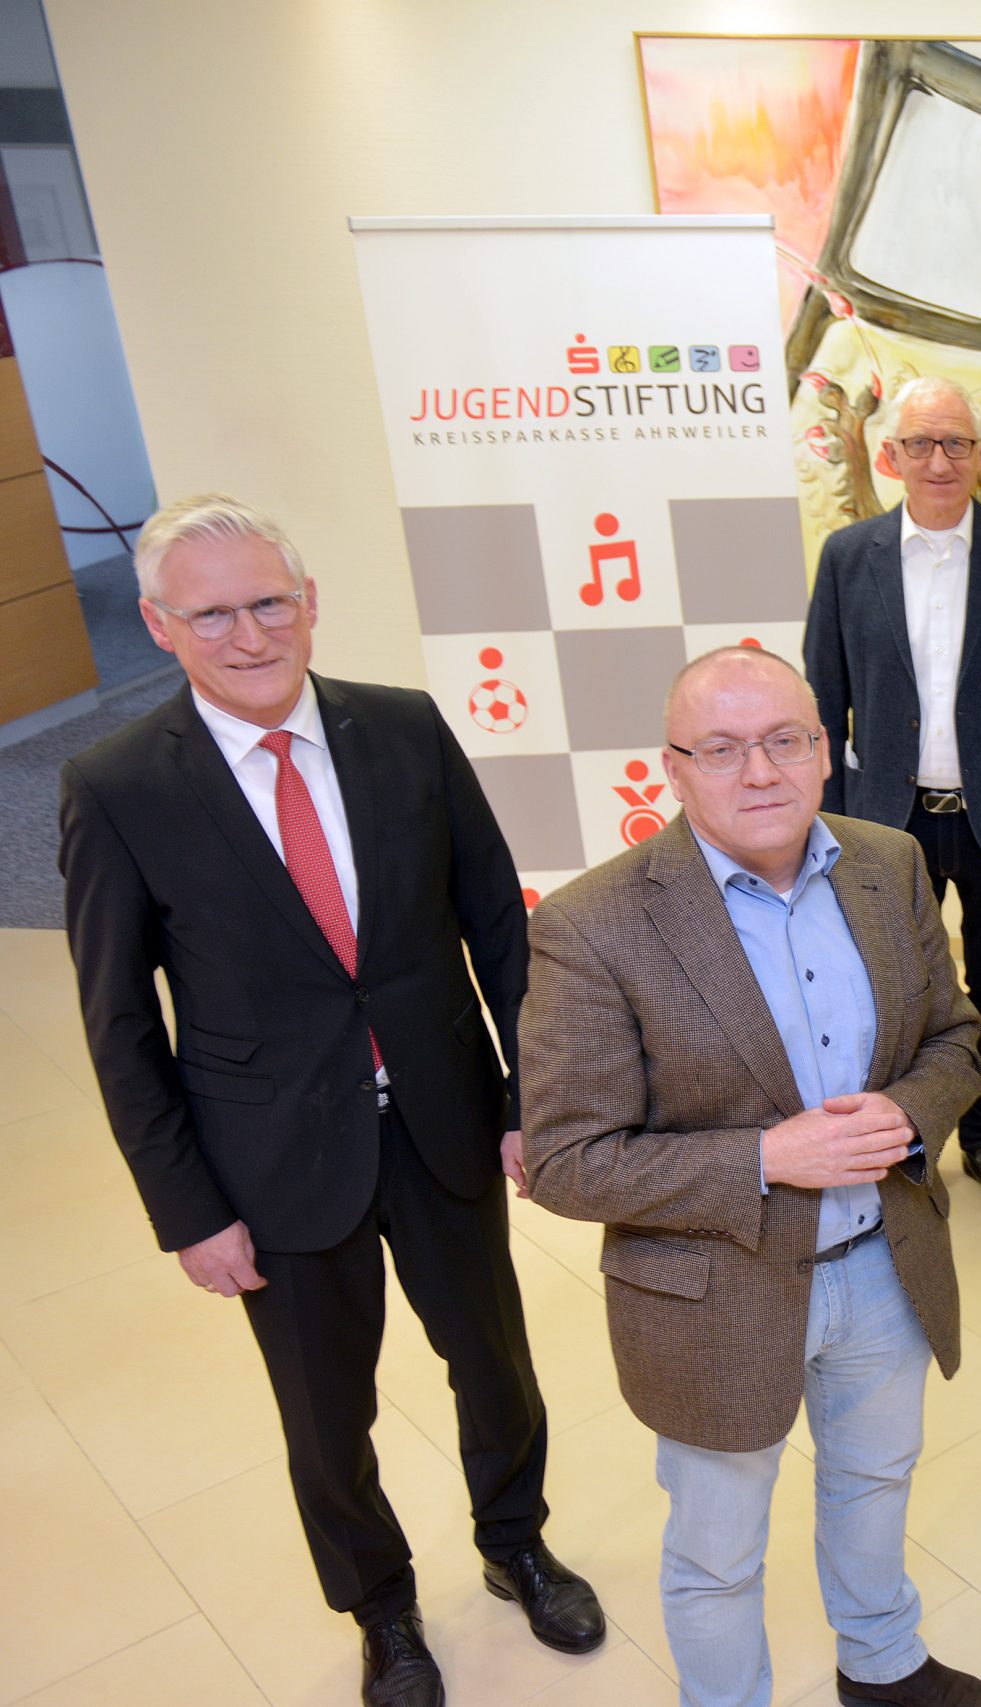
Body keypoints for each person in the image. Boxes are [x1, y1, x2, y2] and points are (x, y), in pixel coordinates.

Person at [57, 495, 603, 1707]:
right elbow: (120, 1026)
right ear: (157, 625)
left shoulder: (403, 728)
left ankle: (515, 1544)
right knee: (326, 1411)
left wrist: (533, 1097)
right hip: (270, 1161)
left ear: (310, 603)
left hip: (446, 1121)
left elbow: (498, 929)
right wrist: (188, 1210)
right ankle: (382, 1608)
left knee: (494, 1361)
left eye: (269, 602)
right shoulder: (116, 787)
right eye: (212, 614)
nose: (249, 634)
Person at [520, 647, 981, 1707]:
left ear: (825, 751)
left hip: (885, 1258)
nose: (760, 771)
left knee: (874, 1481)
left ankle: (880, 1664)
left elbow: (955, 1037)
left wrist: (910, 1112)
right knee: (719, 1551)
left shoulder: (889, 864)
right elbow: (563, 1160)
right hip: (716, 1289)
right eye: (722, 749)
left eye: (785, 740)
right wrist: (761, 1159)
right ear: (673, 769)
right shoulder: (593, 924)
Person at [805, 375, 981, 1222]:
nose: (940, 460)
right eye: (922, 443)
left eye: (956, 442)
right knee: (895, 999)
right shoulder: (848, 557)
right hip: (884, 828)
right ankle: (907, 1143)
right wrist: (826, 826)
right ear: (891, 455)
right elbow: (823, 705)